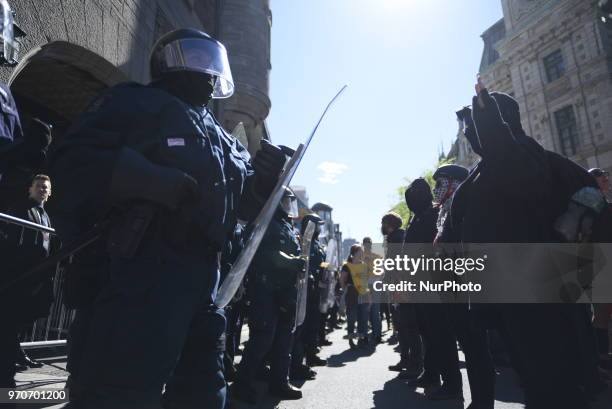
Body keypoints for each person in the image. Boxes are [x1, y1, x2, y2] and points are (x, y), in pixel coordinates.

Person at [49, 29, 290, 409]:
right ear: (168, 61)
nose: (208, 69)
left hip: (204, 283)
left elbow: (242, 209)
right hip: (142, 274)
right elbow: (73, 162)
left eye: (213, 61)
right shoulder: (135, 102)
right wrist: (149, 181)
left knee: (204, 393)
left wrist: (263, 182)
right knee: (119, 392)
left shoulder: (223, 138)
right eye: (197, 57)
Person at [445, 77, 589, 409]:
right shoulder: (483, 170)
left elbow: (517, 173)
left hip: (538, 293)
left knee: (553, 384)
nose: (472, 134)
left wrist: (489, 121)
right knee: (531, 380)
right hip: (504, 296)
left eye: (478, 128)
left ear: (500, 124)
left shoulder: (528, 154)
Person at [232, 188, 304, 403]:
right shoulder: (265, 221)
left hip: (284, 290)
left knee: (284, 339)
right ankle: (241, 384)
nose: (289, 205)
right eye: (286, 200)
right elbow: (263, 253)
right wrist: (292, 261)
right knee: (262, 339)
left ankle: (279, 382)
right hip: (265, 289)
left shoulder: (286, 226)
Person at [0, 174, 57, 388]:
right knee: (11, 319)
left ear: (50, 193)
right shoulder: (21, 209)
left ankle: (15, 353)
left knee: (22, 318)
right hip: (20, 274)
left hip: (37, 276)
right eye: (39, 186)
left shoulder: (46, 215)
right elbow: (12, 240)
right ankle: (9, 362)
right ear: (30, 189)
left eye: (46, 187)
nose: (42, 189)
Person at [382, 212, 423, 375]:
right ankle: (406, 359)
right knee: (401, 326)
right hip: (398, 287)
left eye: (383, 223)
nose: (382, 227)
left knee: (409, 327)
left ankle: (415, 364)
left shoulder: (398, 239)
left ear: (389, 224)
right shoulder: (395, 238)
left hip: (402, 288)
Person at [340, 244, 370, 348]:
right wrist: (347, 290)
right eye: (359, 252)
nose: (361, 254)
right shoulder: (347, 266)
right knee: (351, 318)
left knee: (363, 317)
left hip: (363, 293)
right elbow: (342, 280)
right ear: (353, 253)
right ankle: (351, 340)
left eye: (362, 252)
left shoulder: (364, 265)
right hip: (351, 293)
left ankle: (362, 339)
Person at [363, 237, 383, 343]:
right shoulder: (360, 257)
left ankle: (377, 334)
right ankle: (365, 335)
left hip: (374, 285)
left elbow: (381, 272)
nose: (367, 245)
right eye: (366, 244)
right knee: (365, 311)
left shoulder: (377, 257)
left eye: (369, 243)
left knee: (375, 311)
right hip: (365, 286)